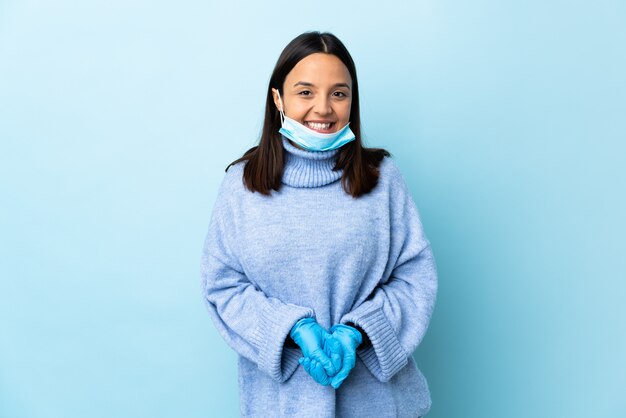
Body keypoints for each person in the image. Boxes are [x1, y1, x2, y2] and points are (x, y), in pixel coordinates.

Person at [200, 31, 438, 418]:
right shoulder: (242, 185)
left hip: (379, 405)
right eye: (305, 92)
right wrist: (291, 328)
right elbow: (222, 286)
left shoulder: (383, 179)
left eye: (339, 93)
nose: (323, 108)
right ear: (278, 99)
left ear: (351, 101)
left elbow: (416, 279)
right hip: (281, 406)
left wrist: (358, 331)